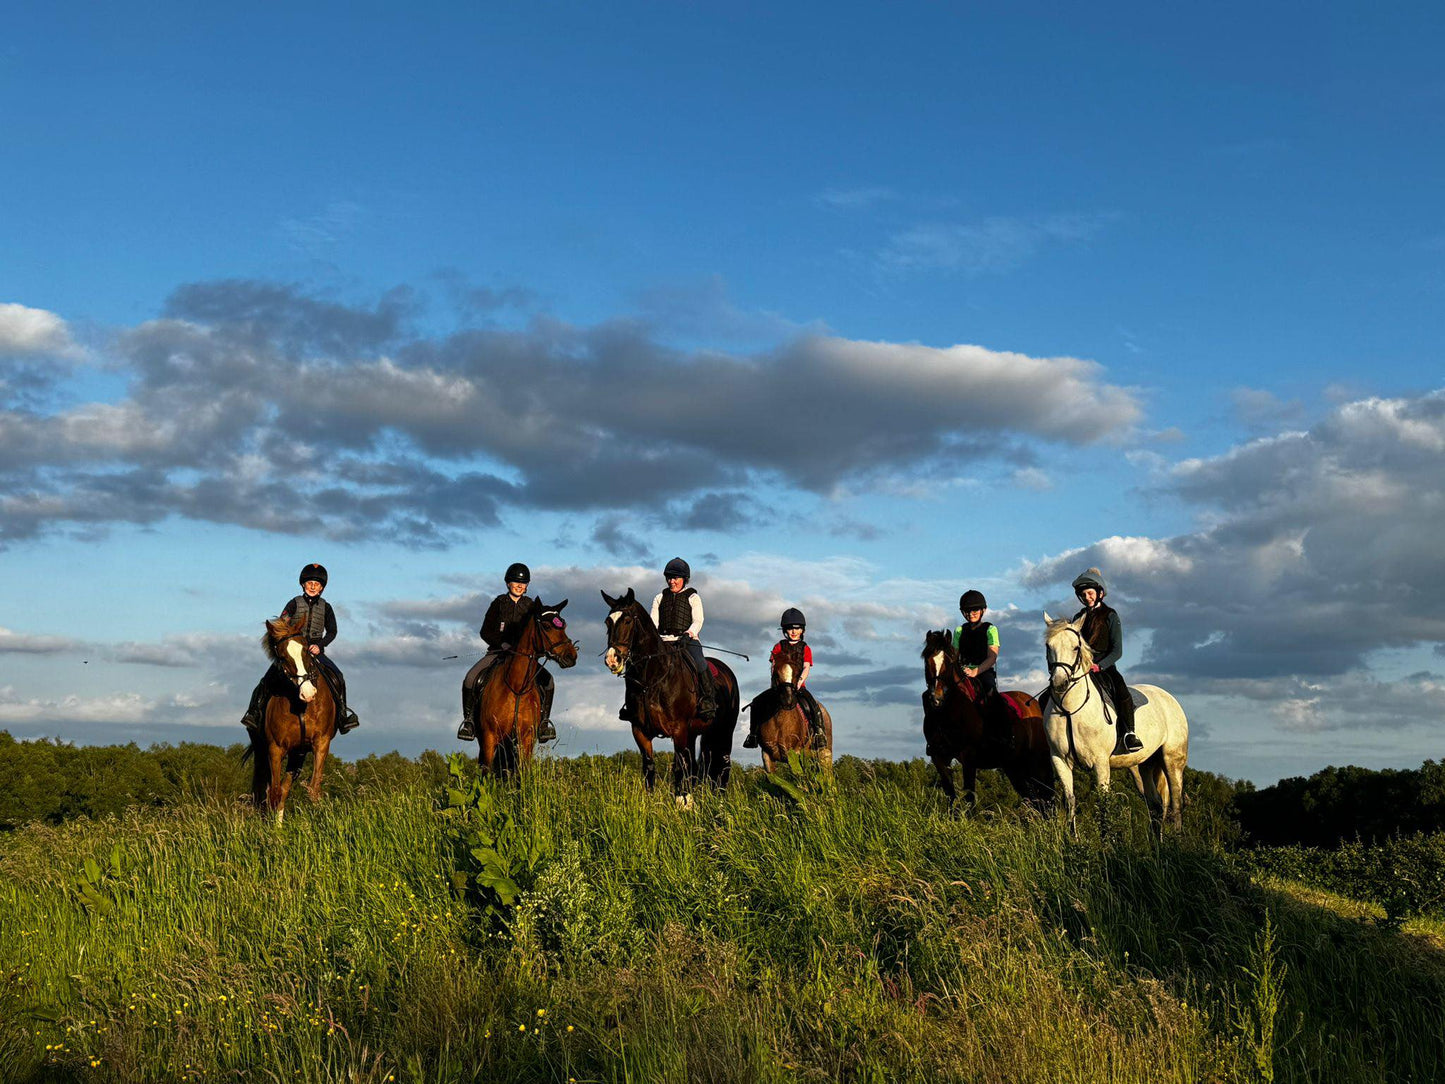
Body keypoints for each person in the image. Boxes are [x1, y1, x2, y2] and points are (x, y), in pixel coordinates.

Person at [240, 563, 360, 738]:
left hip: (315, 651)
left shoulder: (326, 608)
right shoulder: (294, 603)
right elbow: (282, 622)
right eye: (310, 583)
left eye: (317, 584)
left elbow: (332, 631)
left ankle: (342, 716)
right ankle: (254, 712)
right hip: (294, 649)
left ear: (322, 588)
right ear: (303, 584)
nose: (313, 586)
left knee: (338, 677)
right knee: (267, 679)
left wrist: (320, 645)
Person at [457, 562, 556, 743]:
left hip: (525, 658)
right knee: (471, 678)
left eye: (523, 582)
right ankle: (469, 721)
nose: (519, 585)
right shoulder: (498, 603)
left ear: (527, 585)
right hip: (498, 653)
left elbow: (539, 632)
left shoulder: (532, 607)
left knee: (548, 682)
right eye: (515, 582)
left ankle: (544, 722)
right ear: (508, 583)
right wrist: (501, 643)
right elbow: (485, 631)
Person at [1071, 567, 1142, 755]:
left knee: (1122, 693)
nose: (1087, 597)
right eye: (1083, 594)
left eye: (1090, 593)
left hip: (1104, 666)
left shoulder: (1111, 616)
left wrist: (1099, 665)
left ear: (1099, 593)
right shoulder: (1078, 618)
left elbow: (1117, 650)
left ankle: (1129, 734)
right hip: (1081, 669)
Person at [649, 557, 716, 720]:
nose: (672, 582)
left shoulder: (693, 597)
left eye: (676, 578)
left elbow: (698, 620)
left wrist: (688, 633)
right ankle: (634, 703)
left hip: (687, 640)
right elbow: (653, 622)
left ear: (684, 579)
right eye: (669, 578)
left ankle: (708, 700)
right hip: (663, 641)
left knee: (700, 662)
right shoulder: (659, 598)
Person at [744, 607, 821, 749]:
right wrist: (776, 684)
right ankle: (753, 735)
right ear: (785, 630)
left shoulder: (805, 648)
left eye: (797, 628)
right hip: (780, 687)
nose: (794, 631)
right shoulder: (778, 647)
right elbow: (774, 666)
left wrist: (799, 682)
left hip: (797, 686)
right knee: (756, 703)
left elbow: (806, 667)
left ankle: (818, 734)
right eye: (790, 628)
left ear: (802, 630)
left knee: (812, 706)